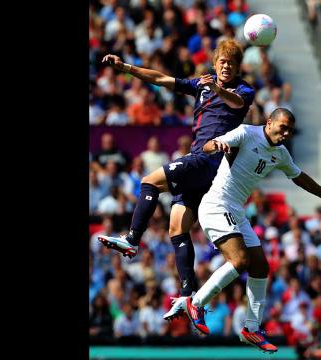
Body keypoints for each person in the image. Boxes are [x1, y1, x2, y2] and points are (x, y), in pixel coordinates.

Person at [166, 108, 321, 353]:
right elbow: (210, 146)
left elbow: (300, 177)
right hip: (216, 205)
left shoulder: (281, 153)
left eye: (289, 130)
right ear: (269, 122)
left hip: (236, 211)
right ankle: (196, 303)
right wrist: (217, 145)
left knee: (261, 267)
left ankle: (251, 328)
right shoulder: (246, 133)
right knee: (240, 260)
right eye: (282, 127)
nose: (285, 133)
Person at [97, 40, 256, 303]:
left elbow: (237, 103)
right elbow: (159, 78)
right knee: (176, 228)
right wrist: (125, 67)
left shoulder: (243, 89)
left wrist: (216, 87)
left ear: (237, 67)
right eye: (222, 61)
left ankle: (133, 239)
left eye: (231, 62)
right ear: (215, 63)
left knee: (149, 180)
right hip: (203, 166)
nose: (226, 66)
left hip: (209, 158)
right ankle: (187, 294)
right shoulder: (200, 85)